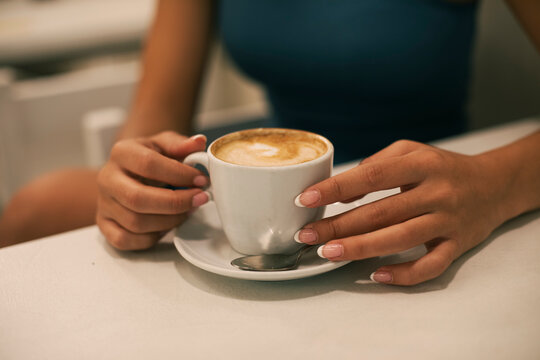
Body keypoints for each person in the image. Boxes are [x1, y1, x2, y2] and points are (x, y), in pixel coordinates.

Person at [1, 0, 539, 286]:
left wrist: (494, 184)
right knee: (34, 207)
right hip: (258, 181)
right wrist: (134, 184)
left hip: (420, 199)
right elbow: (150, 131)